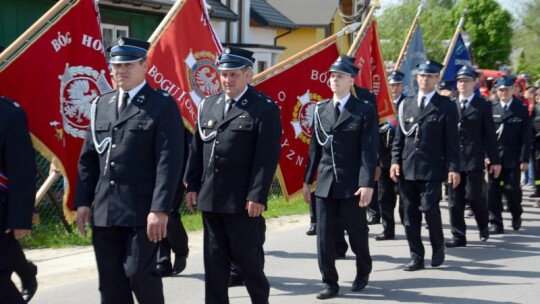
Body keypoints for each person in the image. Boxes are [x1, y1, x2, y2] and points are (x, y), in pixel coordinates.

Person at [73, 37, 185, 304]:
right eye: (115, 65)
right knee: (111, 285)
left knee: (139, 275)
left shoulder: (161, 104)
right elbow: (88, 159)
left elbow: (169, 162)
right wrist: (82, 203)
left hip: (141, 210)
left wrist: (160, 209)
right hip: (105, 211)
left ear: (144, 65)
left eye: (128, 65)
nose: (120, 70)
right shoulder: (101, 104)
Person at [184, 46, 281, 304]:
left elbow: (266, 158)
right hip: (211, 197)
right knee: (214, 264)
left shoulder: (264, 108)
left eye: (234, 75)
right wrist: (192, 185)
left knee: (248, 263)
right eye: (223, 74)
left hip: (242, 203)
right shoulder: (208, 104)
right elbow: (197, 148)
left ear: (248, 75)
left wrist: (257, 195)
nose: (227, 80)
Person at [303, 55, 378, 300]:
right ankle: (329, 283)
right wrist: (307, 181)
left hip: (351, 185)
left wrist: (366, 184)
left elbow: (369, 150)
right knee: (324, 238)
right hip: (325, 184)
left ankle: (362, 272)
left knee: (356, 234)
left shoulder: (363, 110)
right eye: (332, 76)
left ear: (351, 80)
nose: (334, 80)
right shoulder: (320, 109)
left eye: (340, 76)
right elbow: (315, 147)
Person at [390, 59, 460, 271]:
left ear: (437, 79)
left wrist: (454, 167)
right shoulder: (406, 104)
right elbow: (399, 138)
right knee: (409, 216)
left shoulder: (446, 105)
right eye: (421, 75)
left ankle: (438, 247)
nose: (425, 79)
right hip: (408, 167)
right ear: (416, 78)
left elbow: (452, 141)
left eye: (429, 76)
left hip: (432, 168)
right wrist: (394, 161)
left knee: (430, 209)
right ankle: (416, 256)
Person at [446, 65, 501, 248]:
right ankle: (458, 236)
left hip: (474, 160)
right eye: (460, 81)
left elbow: (490, 136)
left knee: (473, 197)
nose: (462, 84)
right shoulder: (450, 104)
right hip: (453, 160)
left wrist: (495, 160)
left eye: (466, 80)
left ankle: (483, 225)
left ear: (474, 83)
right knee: (454, 201)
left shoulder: (483, 106)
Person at [0, 96, 36, 304]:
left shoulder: (9, 114)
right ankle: (25, 269)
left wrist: (20, 218)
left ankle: (25, 270)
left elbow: (22, 171)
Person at [487, 76, 531, 234]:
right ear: (497, 92)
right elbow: (486, 135)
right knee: (492, 191)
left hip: (513, 157)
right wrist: (486, 155)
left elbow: (526, 136)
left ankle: (516, 214)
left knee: (512, 190)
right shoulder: (491, 108)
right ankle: (495, 223)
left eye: (506, 89)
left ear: (513, 90)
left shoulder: (521, 108)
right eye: (500, 90)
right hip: (494, 157)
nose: (503, 92)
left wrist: (524, 159)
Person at [375, 70, 406, 241]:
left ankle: (408, 225)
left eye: (397, 84)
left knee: (405, 197)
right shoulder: (381, 106)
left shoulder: (407, 104)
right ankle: (388, 230)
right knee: (384, 196)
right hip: (385, 158)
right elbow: (376, 134)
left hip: (402, 159)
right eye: (391, 84)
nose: (394, 88)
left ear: (402, 86)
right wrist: (377, 161)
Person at [156, 132, 192, 277]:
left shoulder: (180, 109)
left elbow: (191, 143)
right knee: (155, 212)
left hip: (176, 169)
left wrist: (189, 174)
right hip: (153, 169)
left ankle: (181, 250)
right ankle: (162, 260)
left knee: (169, 212)